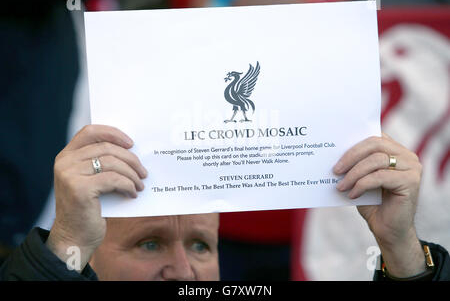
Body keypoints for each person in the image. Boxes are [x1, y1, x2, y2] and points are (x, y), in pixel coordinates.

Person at [0, 125, 448, 280]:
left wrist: (400, 247)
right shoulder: (74, 251)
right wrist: (64, 245)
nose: (183, 271)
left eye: (201, 245)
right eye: (149, 244)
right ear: (89, 262)